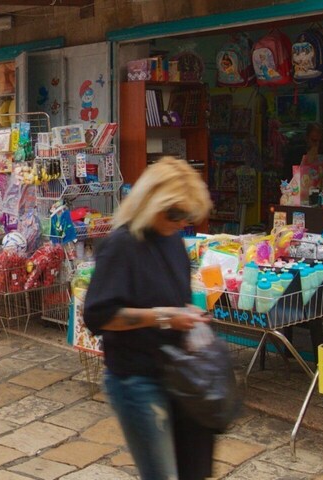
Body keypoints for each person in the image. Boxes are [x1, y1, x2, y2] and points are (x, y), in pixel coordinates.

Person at [82, 158, 217, 480]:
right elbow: (99, 316)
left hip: (175, 373)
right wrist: (164, 318)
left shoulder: (171, 239)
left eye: (186, 216)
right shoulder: (121, 245)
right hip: (136, 379)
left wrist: (188, 313)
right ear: (150, 202)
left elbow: (170, 294)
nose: (180, 221)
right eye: (173, 213)